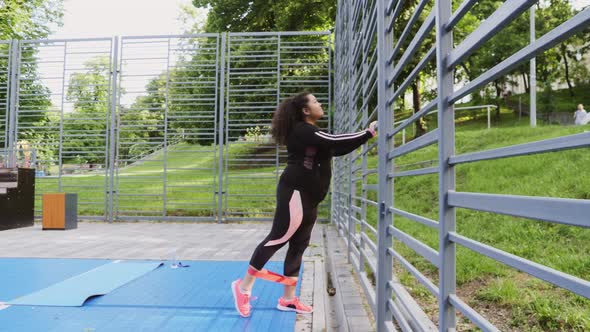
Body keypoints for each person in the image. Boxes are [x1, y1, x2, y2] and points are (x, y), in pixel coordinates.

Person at [231, 91, 377, 317]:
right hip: (295, 192)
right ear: (305, 110)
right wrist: (368, 132)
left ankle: (288, 299)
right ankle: (243, 288)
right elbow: (334, 140)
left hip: (310, 196)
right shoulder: (303, 130)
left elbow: (336, 149)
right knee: (278, 238)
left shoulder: (312, 133)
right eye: (316, 101)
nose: (320, 104)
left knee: (299, 244)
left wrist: (367, 135)